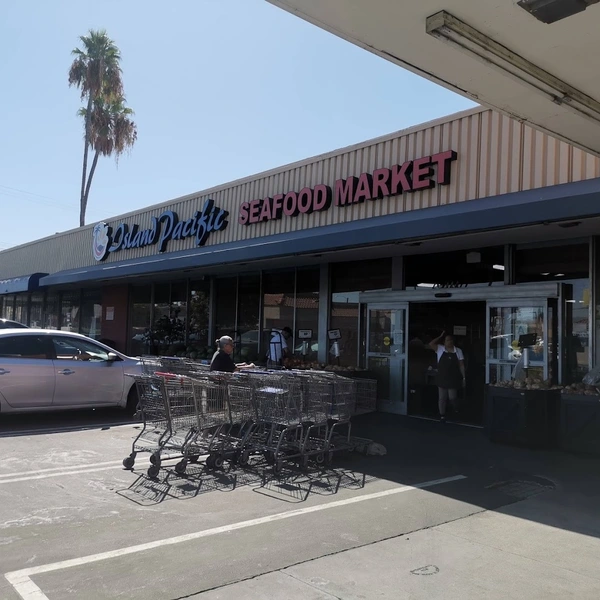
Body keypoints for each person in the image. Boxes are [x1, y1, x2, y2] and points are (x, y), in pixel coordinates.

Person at [429, 331, 466, 422]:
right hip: (442, 377)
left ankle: (456, 409)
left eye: (451, 340)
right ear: (444, 342)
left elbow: (461, 365)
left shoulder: (458, 351)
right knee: (442, 398)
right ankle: (442, 415)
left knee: (452, 397)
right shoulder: (440, 349)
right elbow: (431, 344)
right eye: (447, 340)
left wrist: (464, 377)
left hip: (453, 378)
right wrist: (440, 336)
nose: (450, 341)